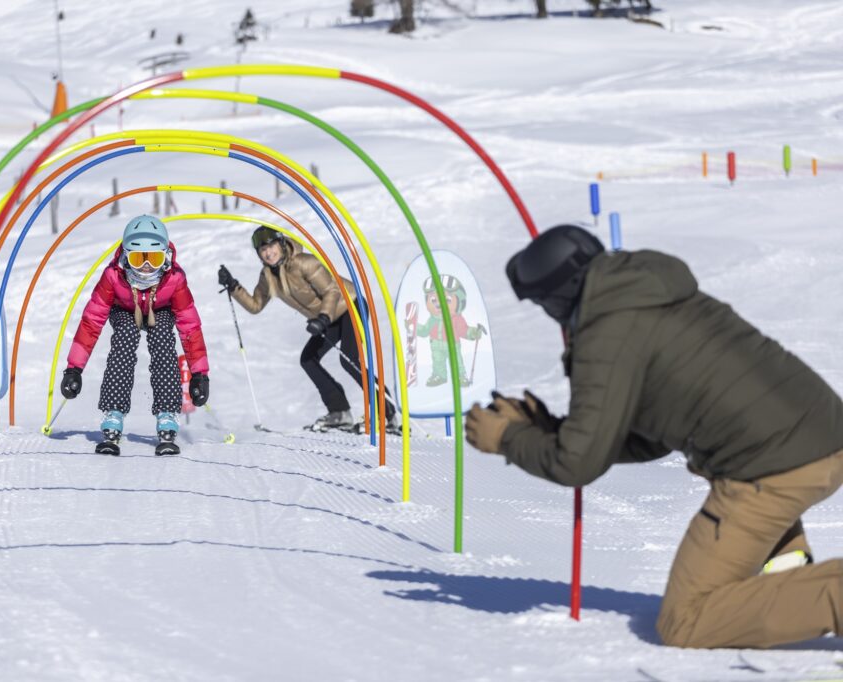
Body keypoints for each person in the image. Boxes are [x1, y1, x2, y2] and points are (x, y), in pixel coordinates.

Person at [464, 224, 843, 649]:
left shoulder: (605, 330)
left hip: (772, 469)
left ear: (557, 298)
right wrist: (551, 432)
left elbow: (577, 463)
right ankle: (787, 568)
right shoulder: (646, 292)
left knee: (687, 619)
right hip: (822, 438)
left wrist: (507, 438)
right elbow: (652, 437)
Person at [218, 226, 398, 433]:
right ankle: (339, 412)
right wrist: (233, 286)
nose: (268, 253)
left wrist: (322, 318)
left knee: (349, 359)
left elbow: (331, 291)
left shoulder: (304, 262)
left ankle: (388, 414)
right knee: (308, 359)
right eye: (262, 250)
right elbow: (255, 305)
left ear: (281, 244)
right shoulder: (268, 276)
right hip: (327, 318)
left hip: (350, 305)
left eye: (271, 247)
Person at [60, 215, 209, 456]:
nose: (147, 267)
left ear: (166, 257)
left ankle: (167, 413)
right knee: (125, 337)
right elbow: (92, 321)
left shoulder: (174, 278)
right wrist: (74, 369)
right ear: (126, 257)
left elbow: (189, 326)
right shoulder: (113, 275)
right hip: (125, 311)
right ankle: (114, 412)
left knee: (162, 338)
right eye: (139, 259)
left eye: (154, 258)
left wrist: (199, 374)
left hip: (159, 311)